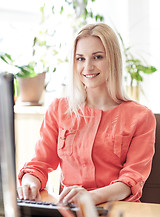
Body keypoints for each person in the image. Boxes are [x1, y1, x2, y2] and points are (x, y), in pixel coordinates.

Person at [17, 23, 156, 205]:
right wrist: (29, 183)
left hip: (118, 214)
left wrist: (91, 197)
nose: (88, 67)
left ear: (113, 60)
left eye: (97, 57)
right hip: (71, 212)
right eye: (80, 59)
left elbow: (131, 180)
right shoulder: (59, 109)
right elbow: (39, 164)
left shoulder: (141, 117)